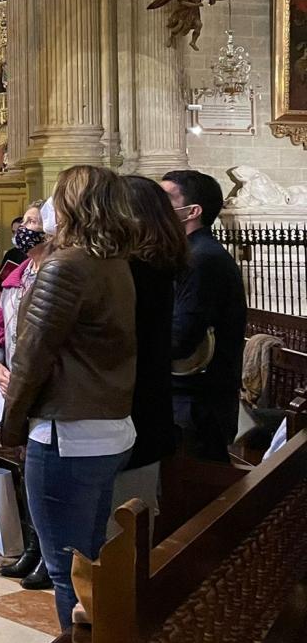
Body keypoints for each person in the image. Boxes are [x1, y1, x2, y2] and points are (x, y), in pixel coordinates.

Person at [1, 165, 137, 632]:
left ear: (72, 206)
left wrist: (11, 427)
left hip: (67, 432)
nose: (45, 209)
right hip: (108, 427)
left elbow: (32, 355)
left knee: (68, 572)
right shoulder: (113, 260)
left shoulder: (67, 264)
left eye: (54, 198)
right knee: (90, 558)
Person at [0, 203, 53, 589]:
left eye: (32, 222)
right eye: (24, 222)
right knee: (24, 470)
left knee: (40, 475)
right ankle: (30, 546)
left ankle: (47, 552)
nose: (24, 228)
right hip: (9, 380)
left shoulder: (55, 274)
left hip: (39, 388)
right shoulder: (15, 275)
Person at [112, 175, 186, 528]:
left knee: (124, 518)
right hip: (148, 396)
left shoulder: (135, 268)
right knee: (135, 508)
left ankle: (123, 581)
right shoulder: (161, 261)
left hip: (132, 398)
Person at [160, 169, 248, 463]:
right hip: (189, 399)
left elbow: (180, 339)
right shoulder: (189, 253)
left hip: (197, 404)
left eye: (166, 199)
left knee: (196, 495)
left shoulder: (202, 259)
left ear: (192, 211)